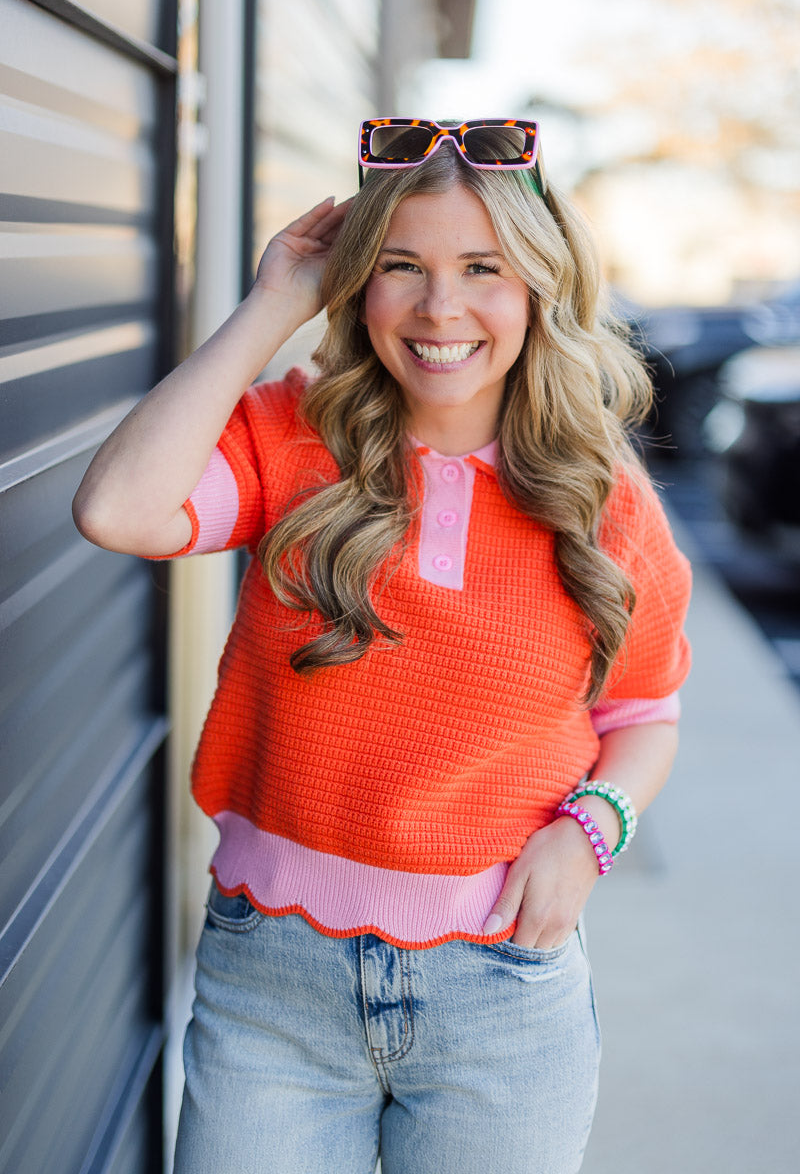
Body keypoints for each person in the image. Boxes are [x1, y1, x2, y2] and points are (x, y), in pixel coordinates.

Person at [73, 119, 691, 1174]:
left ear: (538, 286)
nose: (438, 307)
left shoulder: (604, 504)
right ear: (358, 286)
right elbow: (121, 509)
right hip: (272, 981)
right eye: (400, 265)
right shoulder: (289, 437)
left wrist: (591, 830)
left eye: (480, 269)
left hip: (500, 997)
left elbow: (639, 714)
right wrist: (271, 304)